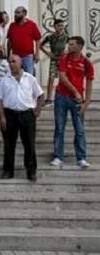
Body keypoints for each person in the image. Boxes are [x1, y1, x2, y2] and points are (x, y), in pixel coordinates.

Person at [0, 55, 45, 181]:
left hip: (27, 115)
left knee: (29, 144)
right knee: (9, 144)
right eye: (10, 62)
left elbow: (41, 95)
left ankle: (31, 171)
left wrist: (38, 110)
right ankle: (8, 170)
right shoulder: (4, 80)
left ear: (21, 63)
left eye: (14, 61)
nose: (11, 64)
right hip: (10, 115)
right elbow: (0, 100)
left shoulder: (30, 79)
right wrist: (2, 117)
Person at [51, 36, 94, 168]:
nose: (68, 47)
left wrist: (87, 101)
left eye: (71, 44)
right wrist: (75, 91)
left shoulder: (86, 63)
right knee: (59, 127)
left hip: (78, 100)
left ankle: (81, 158)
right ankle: (58, 156)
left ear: (80, 46)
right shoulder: (64, 58)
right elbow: (62, 77)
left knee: (79, 129)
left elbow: (89, 81)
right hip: (61, 97)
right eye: (68, 44)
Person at [40, 19, 69, 105]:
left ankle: (65, 97)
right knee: (51, 78)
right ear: (54, 26)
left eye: (62, 26)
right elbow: (40, 45)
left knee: (64, 79)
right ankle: (49, 99)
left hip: (63, 60)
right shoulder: (50, 37)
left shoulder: (66, 36)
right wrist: (48, 53)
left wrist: (67, 51)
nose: (61, 27)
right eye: (59, 26)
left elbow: (71, 46)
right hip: (54, 60)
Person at [7, 6, 41, 75]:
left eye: (18, 12)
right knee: (15, 75)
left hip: (28, 56)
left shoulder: (32, 25)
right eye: (15, 13)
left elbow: (38, 39)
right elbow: (9, 41)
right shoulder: (12, 25)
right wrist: (8, 54)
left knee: (28, 76)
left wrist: (37, 54)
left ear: (24, 14)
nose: (16, 14)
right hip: (15, 56)